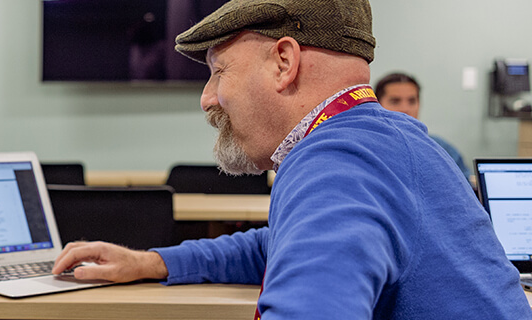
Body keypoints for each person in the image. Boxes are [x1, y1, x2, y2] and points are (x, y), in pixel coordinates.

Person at [51, 0, 532, 318]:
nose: (208, 98)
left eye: (219, 72)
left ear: (284, 62)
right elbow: (280, 245)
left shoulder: (336, 161)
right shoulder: (388, 138)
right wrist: (153, 261)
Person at [375, 72, 470, 177]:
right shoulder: (370, 147)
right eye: (395, 101)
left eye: (412, 101)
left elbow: (465, 185)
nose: (405, 109)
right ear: (377, 105)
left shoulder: (440, 148)